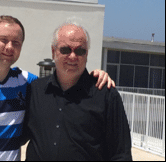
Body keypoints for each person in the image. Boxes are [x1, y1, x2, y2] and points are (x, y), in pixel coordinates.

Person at [0, 15, 113, 161]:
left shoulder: (26, 81)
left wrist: (94, 76)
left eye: (16, 42)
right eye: (3, 40)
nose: (9, 47)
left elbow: (60, 84)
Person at [23, 22, 132, 161]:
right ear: (53, 51)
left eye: (80, 51)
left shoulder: (106, 95)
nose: (73, 56)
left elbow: (121, 154)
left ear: (87, 54)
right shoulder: (35, 90)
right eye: (65, 50)